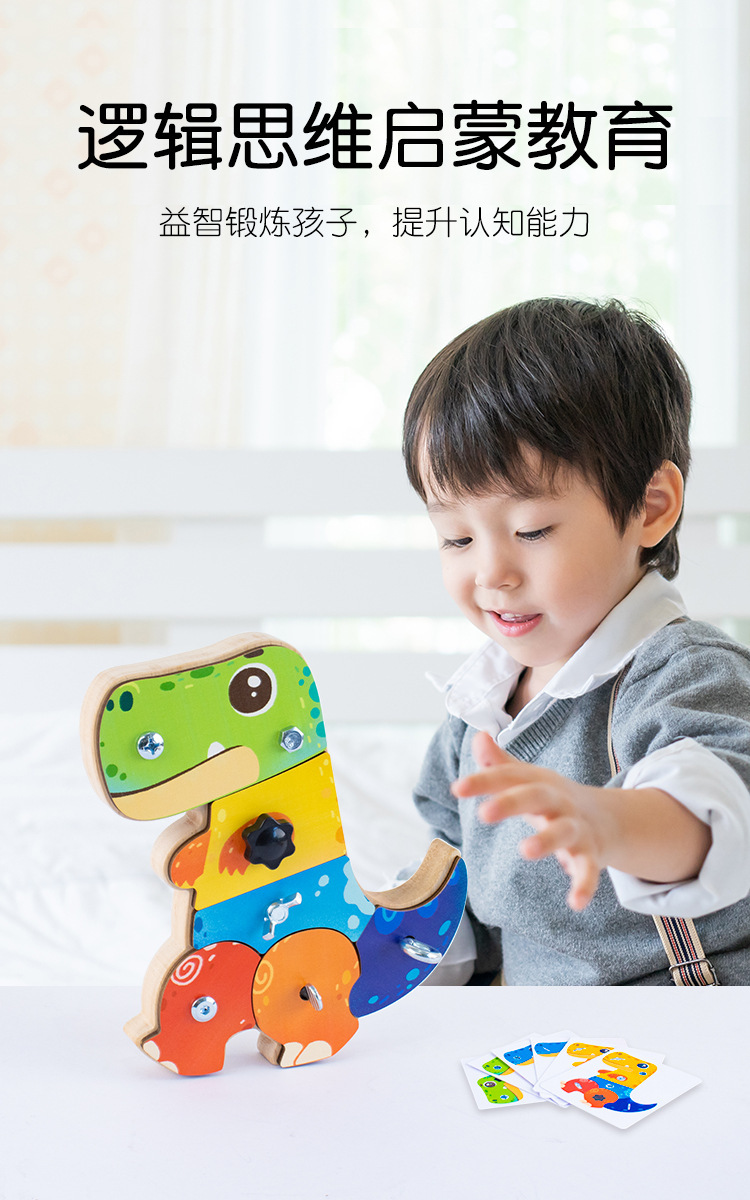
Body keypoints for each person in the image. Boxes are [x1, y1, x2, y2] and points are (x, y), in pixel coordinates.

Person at [402, 297, 750, 985]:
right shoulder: (474, 715)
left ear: (651, 507)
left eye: (531, 529)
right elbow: (450, 908)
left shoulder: (686, 675)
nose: (492, 573)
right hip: (541, 1036)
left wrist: (608, 818)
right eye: (457, 538)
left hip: (694, 1023)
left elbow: (718, 810)